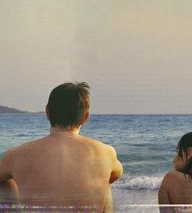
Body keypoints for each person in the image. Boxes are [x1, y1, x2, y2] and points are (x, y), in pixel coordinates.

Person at [0, 82, 123, 212]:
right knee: (106, 183)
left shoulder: (16, 154)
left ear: (47, 112)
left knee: (4, 181)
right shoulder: (106, 152)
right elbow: (116, 174)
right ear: (85, 117)